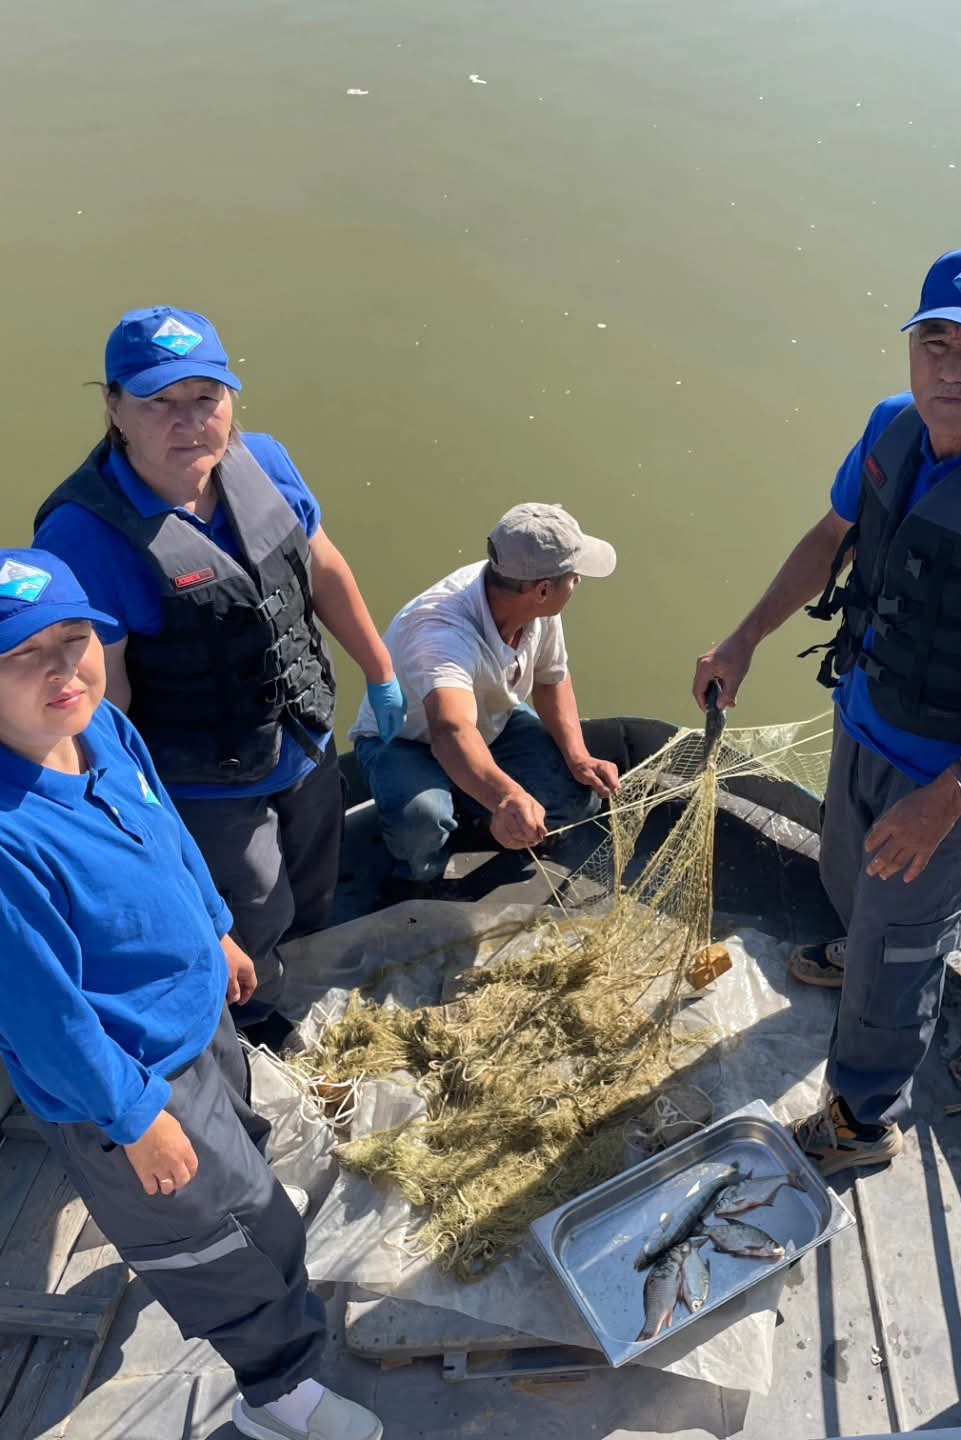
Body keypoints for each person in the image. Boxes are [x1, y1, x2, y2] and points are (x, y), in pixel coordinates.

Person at [692, 248, 961, 1175]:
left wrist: (951, 796)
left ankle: (862, 1120)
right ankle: (861, 942)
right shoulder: (893, 427)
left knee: (902, 956)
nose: (952, 369)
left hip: (947, 773)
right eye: (936, 343)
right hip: (864, 717)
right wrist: (745, 637)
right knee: (847, 876)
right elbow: (829, 537)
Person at [0, 548, 381, 1440]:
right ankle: (278, 1394)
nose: (63, 669)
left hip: (199, 1019)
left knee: (241, 1162)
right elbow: (46, 1021)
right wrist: (136, 1119)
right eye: (23, 656)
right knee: (217, 1244)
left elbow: (166, 830)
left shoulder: (101, 727)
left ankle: (242, 1213)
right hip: (127, 1079)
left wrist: (215, 926)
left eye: (74, 637)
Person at [34, 306, 405, 1034]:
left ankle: (304, 964)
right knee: (255, 907)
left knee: (315, 880)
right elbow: (101, 705)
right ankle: (256, 1019)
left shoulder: (265, 461)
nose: (189, 422)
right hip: (204, 778)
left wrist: (381, 671)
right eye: (158, 402)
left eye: (206, 397)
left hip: (303, 735)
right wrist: (136, 823)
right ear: (114, 406)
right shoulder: (84, 536)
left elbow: (325, 569)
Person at [351, 502, 621, 890]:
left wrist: (578, 756)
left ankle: (473, 807)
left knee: (575, 797)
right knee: (422, 824)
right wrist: (506, 798)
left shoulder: (536, 604)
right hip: (406, 739)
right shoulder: (440, 633)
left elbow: (551, 680)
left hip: (494, 721)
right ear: (544, 589)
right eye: (573, 576)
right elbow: (451, 731)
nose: (578, 582)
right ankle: (421, 873)